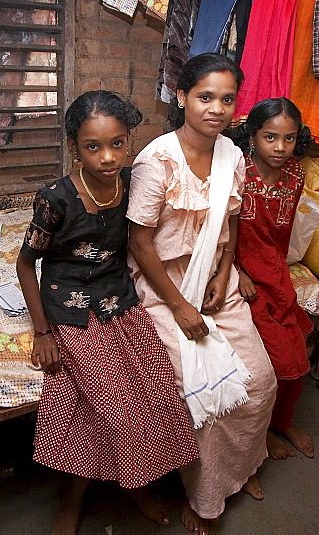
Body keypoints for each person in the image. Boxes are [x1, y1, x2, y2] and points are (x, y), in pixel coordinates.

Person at [16, 90, 199, 535]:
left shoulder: (135, 182)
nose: (107, 157)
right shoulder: (54, 199)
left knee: (154, 387)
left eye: (117, 143)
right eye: (92, 146)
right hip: (70, 305)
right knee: (109, 405)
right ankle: (74, 500)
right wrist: (42, 332)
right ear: (74, 147)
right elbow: (25, 264)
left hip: (119, 298)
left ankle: (134, 483)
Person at [126, 54, 277, 535]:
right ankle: (205, 497)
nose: (216, 108)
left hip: (215, 279)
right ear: (182, 97)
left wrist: (224, 271)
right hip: (164, 286)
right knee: (208, 393)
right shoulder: (158, 160)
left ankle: (240, 469)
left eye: (227, 99)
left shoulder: (232, 155)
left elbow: (228, 221)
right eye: (205, 97)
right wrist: (180, 306)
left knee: (259, 380)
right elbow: (139, 242)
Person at [233, 97, 317, 460]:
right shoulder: (236, 172)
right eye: (270, 137)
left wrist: (278, 272)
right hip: (241, 273)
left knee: (299, 348)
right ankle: (259, 433)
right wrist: (235, 271)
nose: (280, 148)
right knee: (271, 361)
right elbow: (217, 228)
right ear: (252, 136)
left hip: (275, 271)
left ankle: (281, 421)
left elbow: (281, 236)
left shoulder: (296, 174)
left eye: (289, 138)